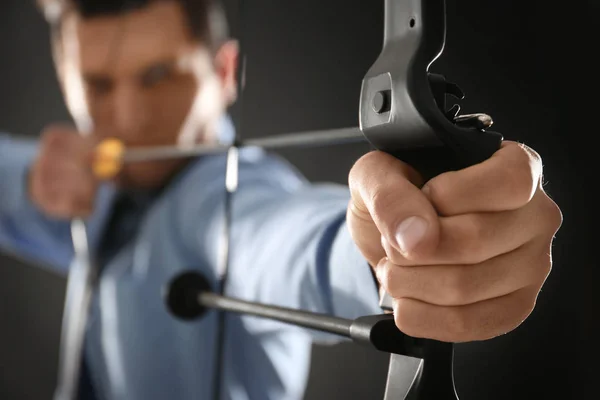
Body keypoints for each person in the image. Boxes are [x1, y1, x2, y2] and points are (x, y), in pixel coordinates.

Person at [0, 0, 563, 399]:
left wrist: (386, 250)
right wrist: (29, 181)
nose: (125, 118)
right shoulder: (90, 186)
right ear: (65, 76)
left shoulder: (230, 200)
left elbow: (287, 242)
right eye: (97, 85)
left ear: (224, 72)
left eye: (158, 76)